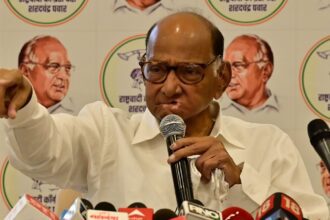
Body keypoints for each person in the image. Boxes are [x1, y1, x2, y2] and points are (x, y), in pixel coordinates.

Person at [0, 12, 328, 219]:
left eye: (188, 72)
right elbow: (42, 155)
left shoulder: (269, 145)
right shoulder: (105, 132)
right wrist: (25, 105)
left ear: (223, 78)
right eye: (156, 70)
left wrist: (240, 186)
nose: (169, 87)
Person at [221, 34, 279, 116]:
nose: (229, 74)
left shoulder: (287, 108)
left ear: (265, 71)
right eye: (225, 66)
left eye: (238, 65)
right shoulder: (214, 109)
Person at [18, 35, 75, 114]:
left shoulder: (77, 114)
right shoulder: (9, 113)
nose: (63, 76)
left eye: (67, 68)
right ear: (25, 71)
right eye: (54, 66)